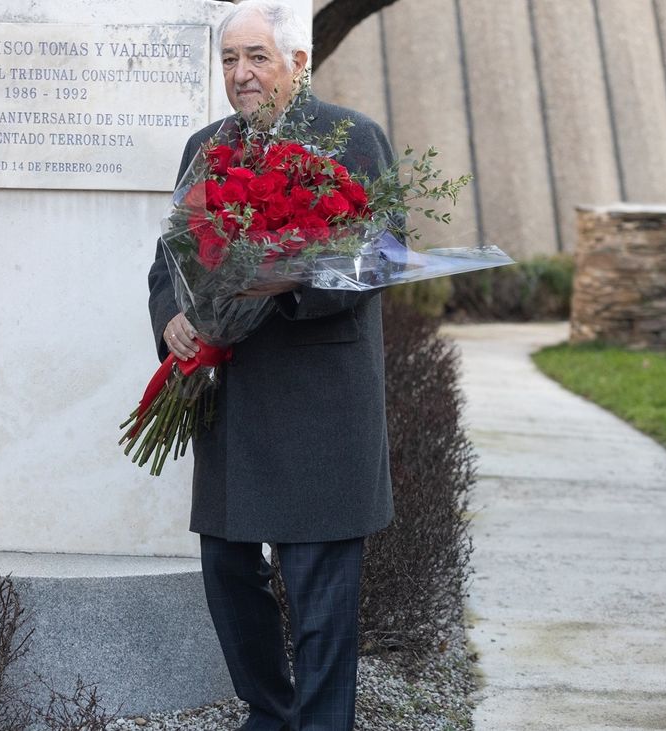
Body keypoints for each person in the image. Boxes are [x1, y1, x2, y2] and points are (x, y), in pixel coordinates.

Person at [145, 2, 395, 729]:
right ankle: (271, 709)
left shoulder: (352, 140)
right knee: (227, 571)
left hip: (320, 402)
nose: (241, 74)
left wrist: (280, 284)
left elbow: (378, 256)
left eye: (256, 57)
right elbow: (171, 258)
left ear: (297, 63)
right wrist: (175, 319)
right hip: (232, 397)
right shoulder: (206, 144)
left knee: (320, 595)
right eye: (229, 60)